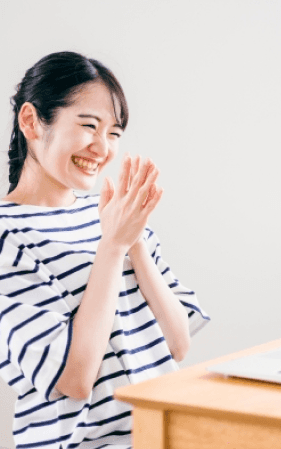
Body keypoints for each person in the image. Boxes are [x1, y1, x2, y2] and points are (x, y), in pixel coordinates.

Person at [0, 51, 209, 449]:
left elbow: (178, 343)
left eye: (113, 133)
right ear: (30, 121)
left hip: (158, 436)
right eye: (88, 126)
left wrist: (133, 242)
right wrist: (112, 248)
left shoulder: (113, 215)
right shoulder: (7, 237)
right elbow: (74, 378)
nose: (102, 147)